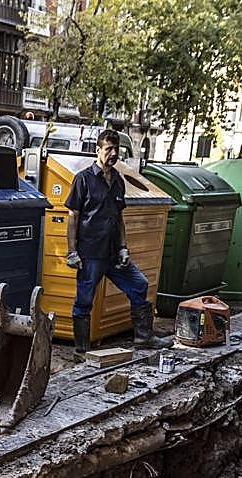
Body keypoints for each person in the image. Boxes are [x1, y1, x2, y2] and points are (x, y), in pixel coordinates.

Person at [64, 128, 170, 361]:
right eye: (109, 149)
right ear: (98, 150)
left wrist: (123, 247)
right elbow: (73, 216)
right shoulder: (84, 179)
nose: (113, 154)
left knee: (139, 284)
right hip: (90, 253)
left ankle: (144, 338)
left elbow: (119, 218)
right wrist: (72, 251)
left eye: (117, 150)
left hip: (113, 253)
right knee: (83, 301)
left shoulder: (118, 181)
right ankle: (81, 351)